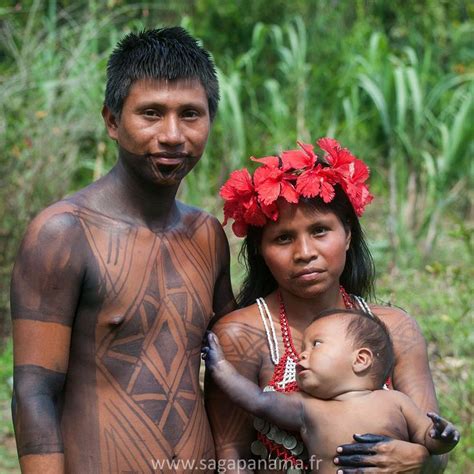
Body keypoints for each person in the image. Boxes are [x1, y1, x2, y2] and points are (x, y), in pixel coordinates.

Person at [11, 27, 234, 473]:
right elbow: (34, 390)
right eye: (151, 113)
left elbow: (229, 371)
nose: (172, 135)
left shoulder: (207, 236)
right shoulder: (63, 235)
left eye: (190, 114)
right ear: (112, 121)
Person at [206, 137, 447, 472]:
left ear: (347, 234)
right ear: (261, 250)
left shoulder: (395, 328)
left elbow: (436, 450)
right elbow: (229, 454)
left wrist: (420, 460)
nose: (304, 252)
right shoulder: (240, 334)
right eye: (283, 238)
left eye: (320, 231)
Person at [203, 309, 460, 473]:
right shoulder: (307, 406)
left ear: (360, 359)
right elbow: (257, 401)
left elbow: (427, 439)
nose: (300, 354)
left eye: (316, 345)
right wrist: (221, 368)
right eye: (302, 346)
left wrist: (443, 436)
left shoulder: (396, 401)